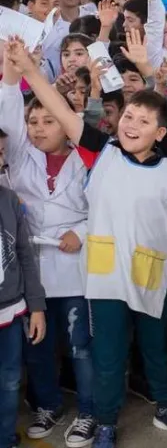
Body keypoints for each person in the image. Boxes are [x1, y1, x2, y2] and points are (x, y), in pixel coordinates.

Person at [11, 36, 167, 448]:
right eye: (128, 116)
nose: (131, 125)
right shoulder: (100, 151)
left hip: (152, 271)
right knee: (108, 353)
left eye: (144, 122)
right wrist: (28, 68)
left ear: (160, 132)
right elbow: (59, 109)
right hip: (106, 274)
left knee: (155, 347)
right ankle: (107, 421)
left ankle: (166, 405)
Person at [0, 46, 95, 446]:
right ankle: (48, 404)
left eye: (49, 120)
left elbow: (107, 207)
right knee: (37, 346)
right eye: (32, 121)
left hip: (75, 268)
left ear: (68, 123)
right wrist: (12, 72)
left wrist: (83, 232)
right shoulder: (21, 158)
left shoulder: (87, 159)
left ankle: (89, 411)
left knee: (80, 345)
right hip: (32, 272)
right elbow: (8, 111)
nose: (38, 129)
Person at [0, 178, 45, 448]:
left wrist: (37, 306)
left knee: (10, 380)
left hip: (11, 312)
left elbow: (25, 255)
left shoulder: (9, 199)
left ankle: (5, 438)